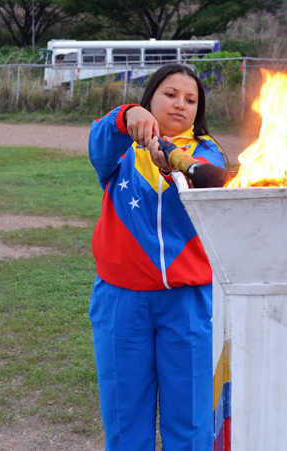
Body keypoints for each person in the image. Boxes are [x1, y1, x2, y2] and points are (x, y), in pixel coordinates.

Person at [87, 63, 226, 450]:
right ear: (150, 98)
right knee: (125, 420)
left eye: (191, 99)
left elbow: (205, 181)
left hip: (189, 303)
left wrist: (171, 162)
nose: (180, 104)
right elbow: (99, 141)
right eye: (170, 94)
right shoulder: (119, 154)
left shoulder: (208, 153)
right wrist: (127, 114)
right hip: (121, 301)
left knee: (192, 423)